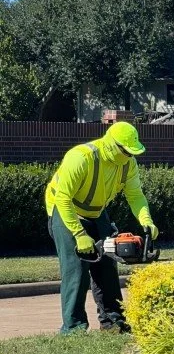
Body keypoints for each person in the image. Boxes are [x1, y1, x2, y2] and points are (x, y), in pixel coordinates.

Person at [45, 121, 158, 333]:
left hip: (97, 211)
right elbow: (63, 198)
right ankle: (73, 328)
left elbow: (135, 195)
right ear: (112, 145)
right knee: (76, 269)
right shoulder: (81, 157)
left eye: (132, 152)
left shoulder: (128, 164)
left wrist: (146, 221)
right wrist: (80, 234)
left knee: (108, 262)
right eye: (125, 151)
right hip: (65, 209)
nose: (129, 156)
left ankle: (113, 323)